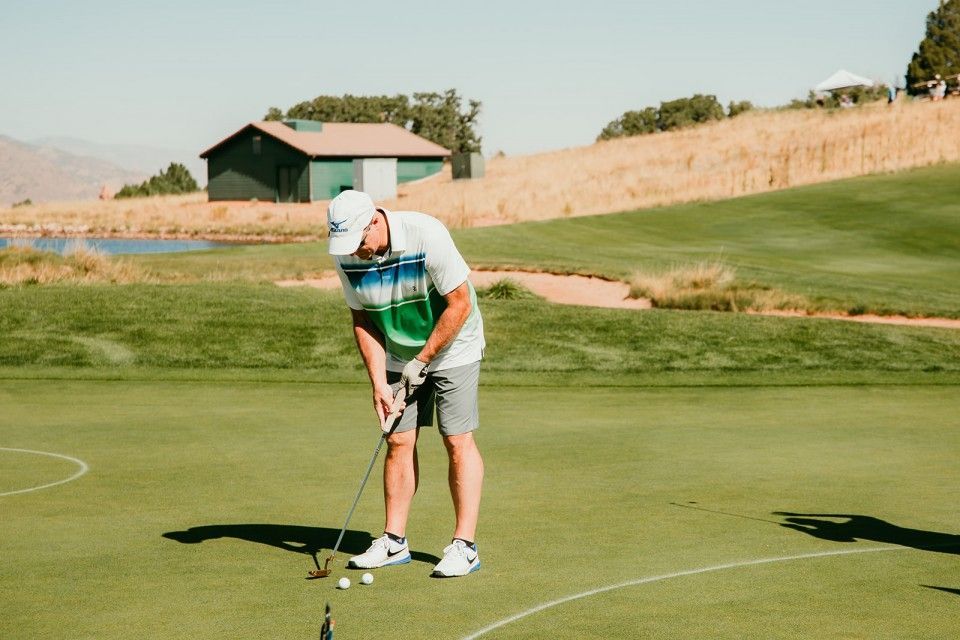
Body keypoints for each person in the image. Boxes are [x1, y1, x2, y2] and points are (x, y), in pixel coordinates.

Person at [327, 189, 486, 578]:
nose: (356, 251)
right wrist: (379, 382)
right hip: (398, 353)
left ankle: (464, 546)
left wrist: (424, 359)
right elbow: (363, 320)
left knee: (456, 439)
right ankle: (394, 541)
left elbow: (460, 303)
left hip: (453, 346)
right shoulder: (347, 254)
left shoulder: (425, 233)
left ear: (375, 221)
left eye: (360, 241)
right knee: (398, 440)